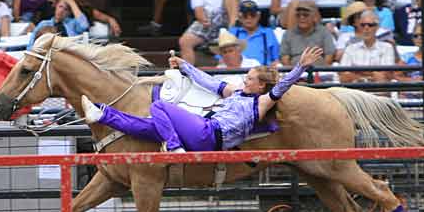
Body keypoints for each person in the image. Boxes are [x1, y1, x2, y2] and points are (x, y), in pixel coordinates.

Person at [79, 46, 323, 153]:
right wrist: (186, 66)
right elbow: (208, 81)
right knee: (145, 126)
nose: (245, 80)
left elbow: (282, 86)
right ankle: (103, 114)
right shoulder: (237, 92)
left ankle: (174, 147)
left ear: (261, 86)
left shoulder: (260, 102)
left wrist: (300, 67)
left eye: (250, 79)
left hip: (210, 134)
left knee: (159, 106)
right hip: (203, 132)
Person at [339, 10, 395, 83]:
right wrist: (372, 73)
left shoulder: (387, 47)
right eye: (363, 25)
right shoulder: (350, 48)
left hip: (378, 92)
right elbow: (344, 76)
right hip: (355, 92)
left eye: (370, 25)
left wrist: (357, 73)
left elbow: (385, 76)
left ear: (377, 27)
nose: (366, 28)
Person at [279, 0, 335, 65]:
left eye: (305, 15)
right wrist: (294, 73)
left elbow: (329, 55)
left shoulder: (324, 32)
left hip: (319, 70)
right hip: (296, 70)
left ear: (313, 17)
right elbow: (285, 58)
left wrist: (323, 70)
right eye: (298, 15)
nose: (301, 17)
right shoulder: (288, 34)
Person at [226, 0, 279, 65]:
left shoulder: (268, 33)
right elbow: (222, 58)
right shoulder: (232, 32)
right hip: (237, 72)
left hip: (262, 72)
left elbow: (276, 59)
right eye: (245, 16)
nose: (249, 18)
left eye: (252, 15)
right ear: (240, 17)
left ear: (258, 16)